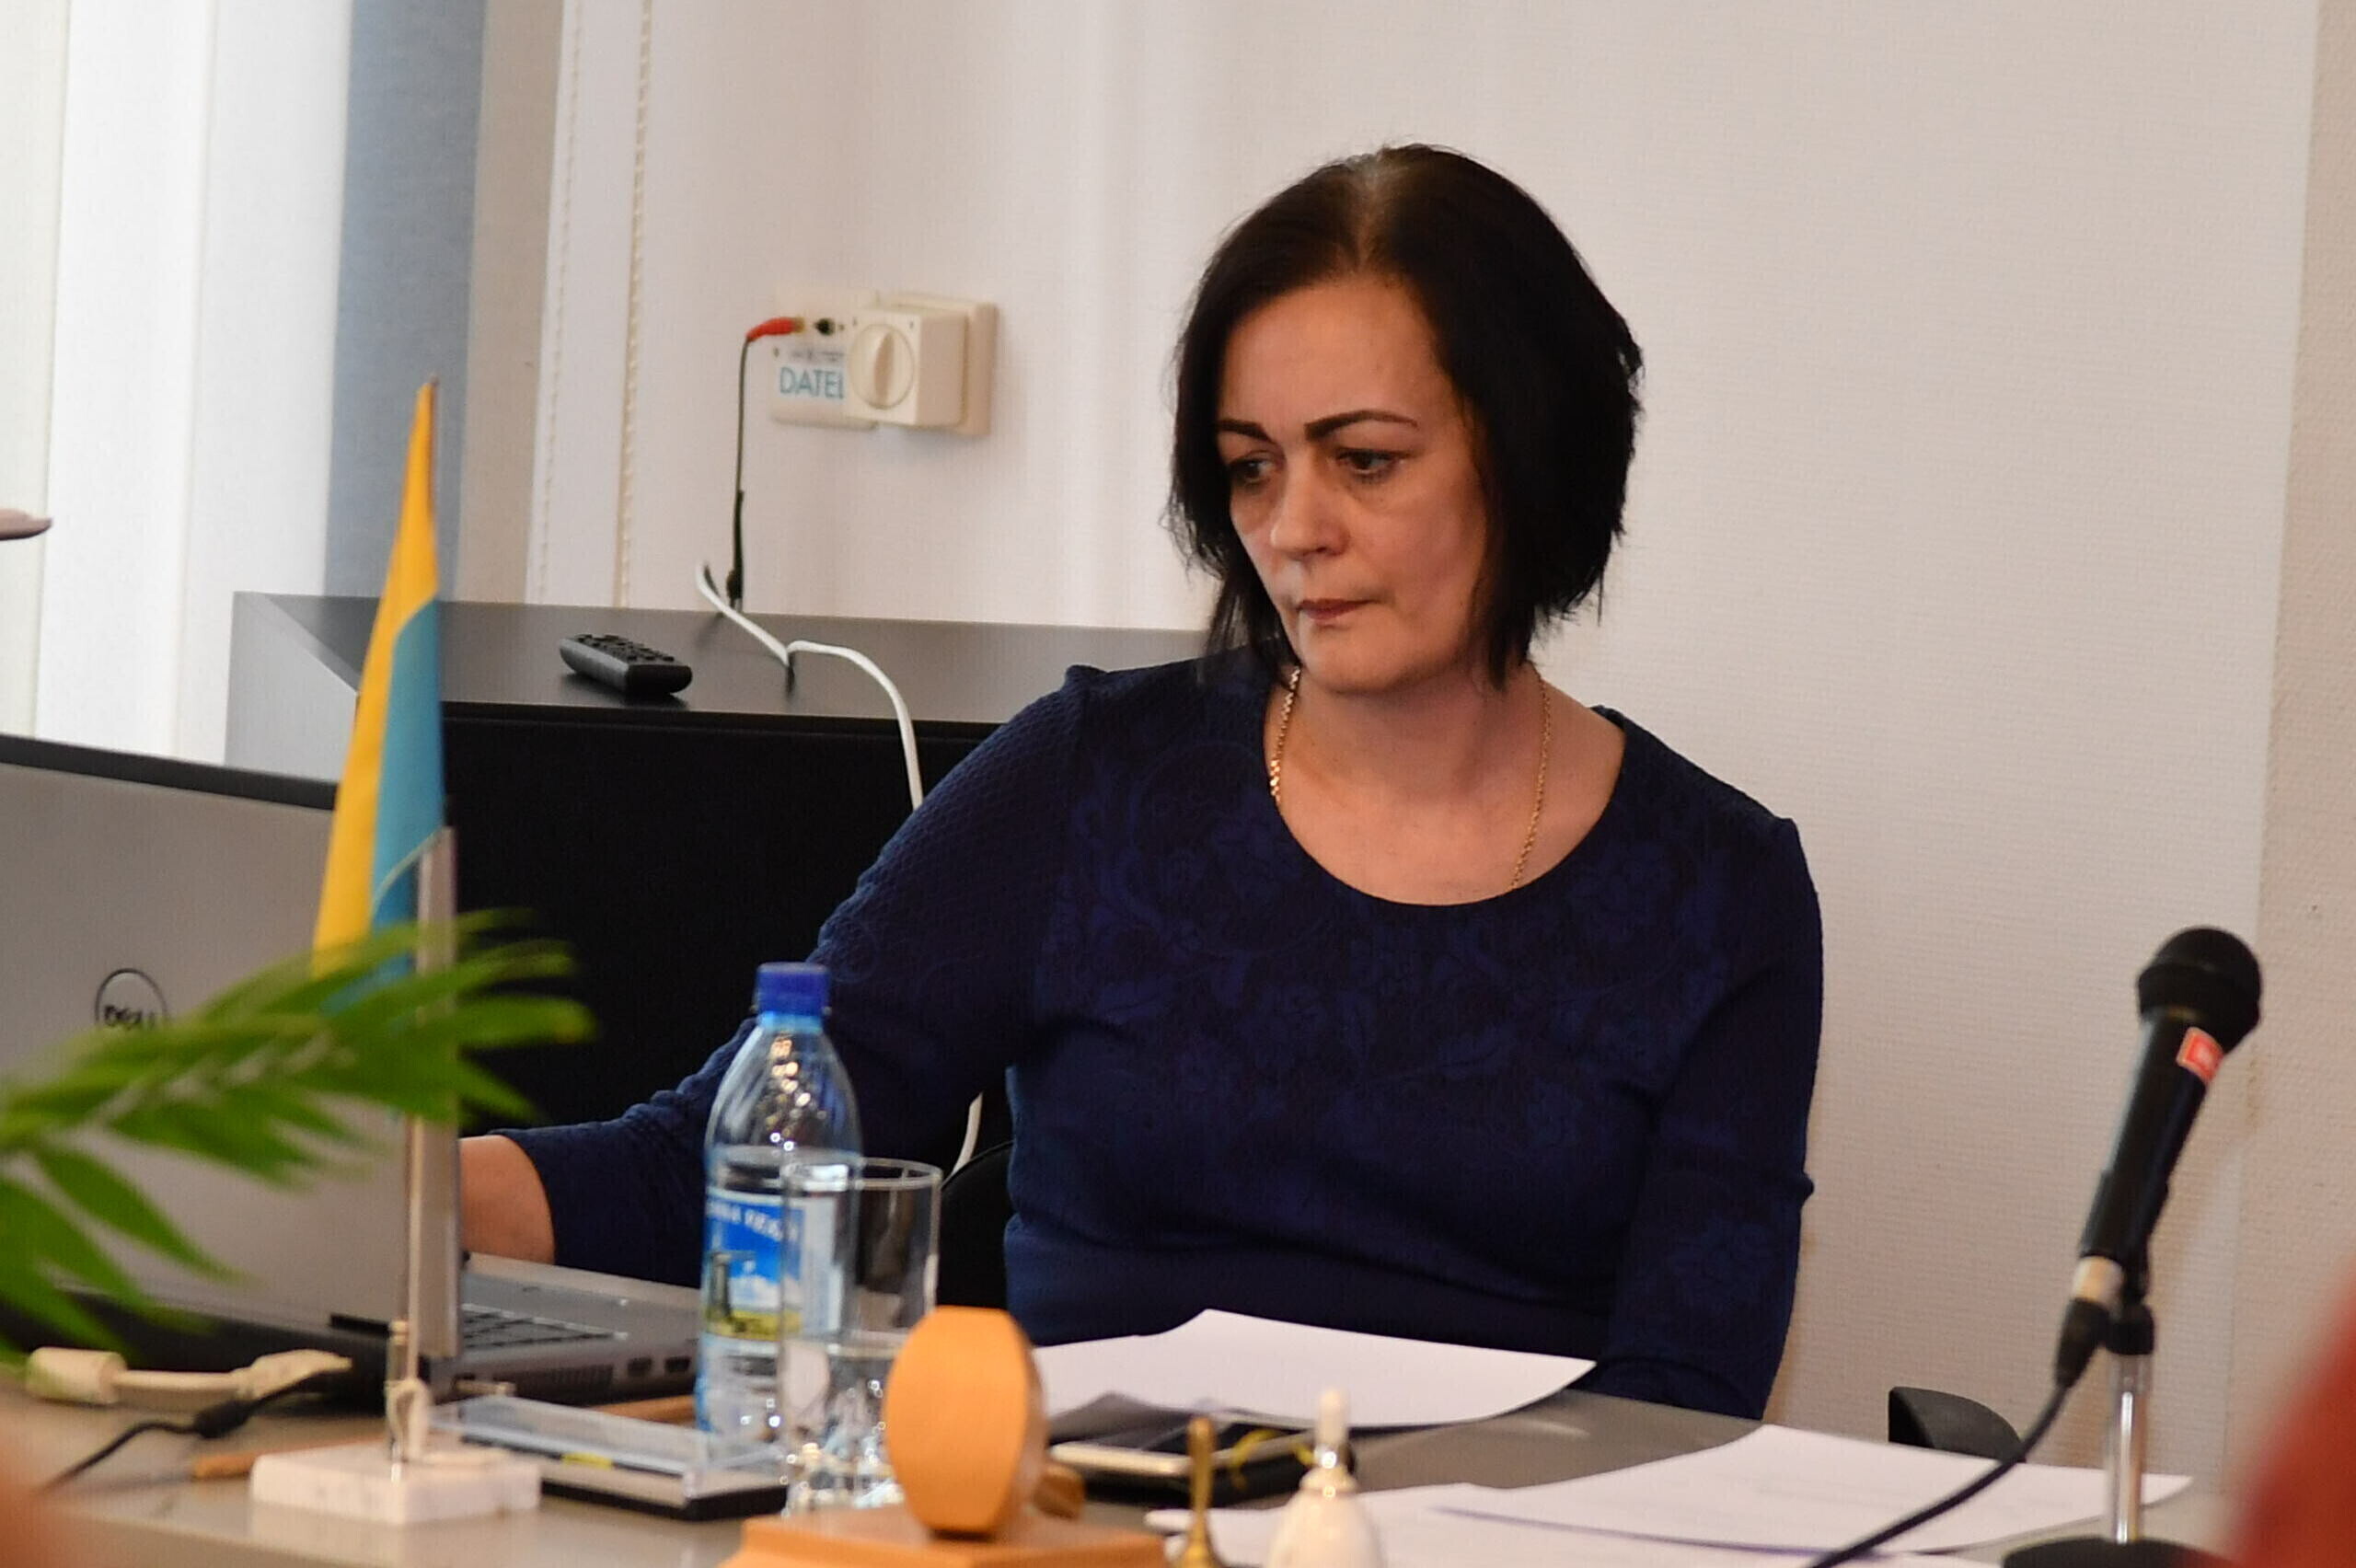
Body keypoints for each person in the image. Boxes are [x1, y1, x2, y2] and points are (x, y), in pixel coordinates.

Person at [462, 144, 1822, 1420]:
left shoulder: (1719, 892)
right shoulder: (1089, 783)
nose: (1294, 529)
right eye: (1251, 468)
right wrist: (391, 1188)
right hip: (1078, 1528)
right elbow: (714, 1174)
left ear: (1531, 460)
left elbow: (1686, 1412)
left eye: (1366, 461)